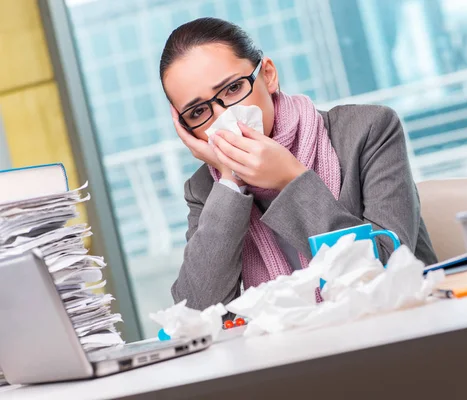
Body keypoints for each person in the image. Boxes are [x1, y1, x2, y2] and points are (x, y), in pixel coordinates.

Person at [159, 17, 437, 311]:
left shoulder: (369, 130)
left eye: (232, 89)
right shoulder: (206, 188)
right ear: (186, 129)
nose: (223, 117)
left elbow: (389, 271)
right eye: (198, 111)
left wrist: (290, 180)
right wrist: (231, 179)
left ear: (267, 75)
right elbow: (195, 313)